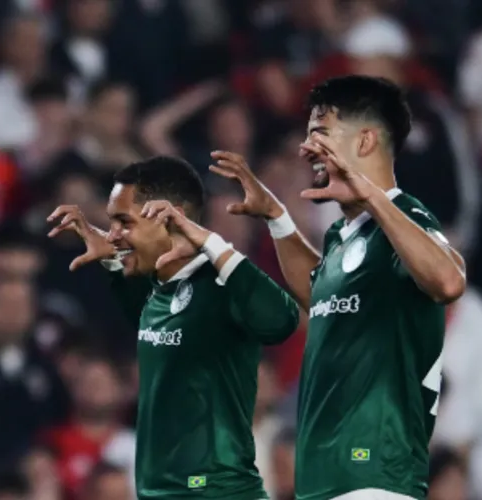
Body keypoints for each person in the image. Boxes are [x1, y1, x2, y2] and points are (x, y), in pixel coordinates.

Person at [211, 75, 466, 500]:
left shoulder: (407, 215)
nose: (306, 148)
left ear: (364, 143)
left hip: (377, 473)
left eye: (320, 134)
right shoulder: (343, 236)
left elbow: (448, 280)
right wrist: (277, 217)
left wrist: (370, 193)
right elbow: (318, 297)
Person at [47, 156, 300, 498]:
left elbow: (281, 321)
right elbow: (146, 316)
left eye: (124, 222)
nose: (115, 234)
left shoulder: (220, 285)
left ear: (169, 217)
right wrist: (111, 259)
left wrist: (213, 244)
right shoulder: (161, 289)